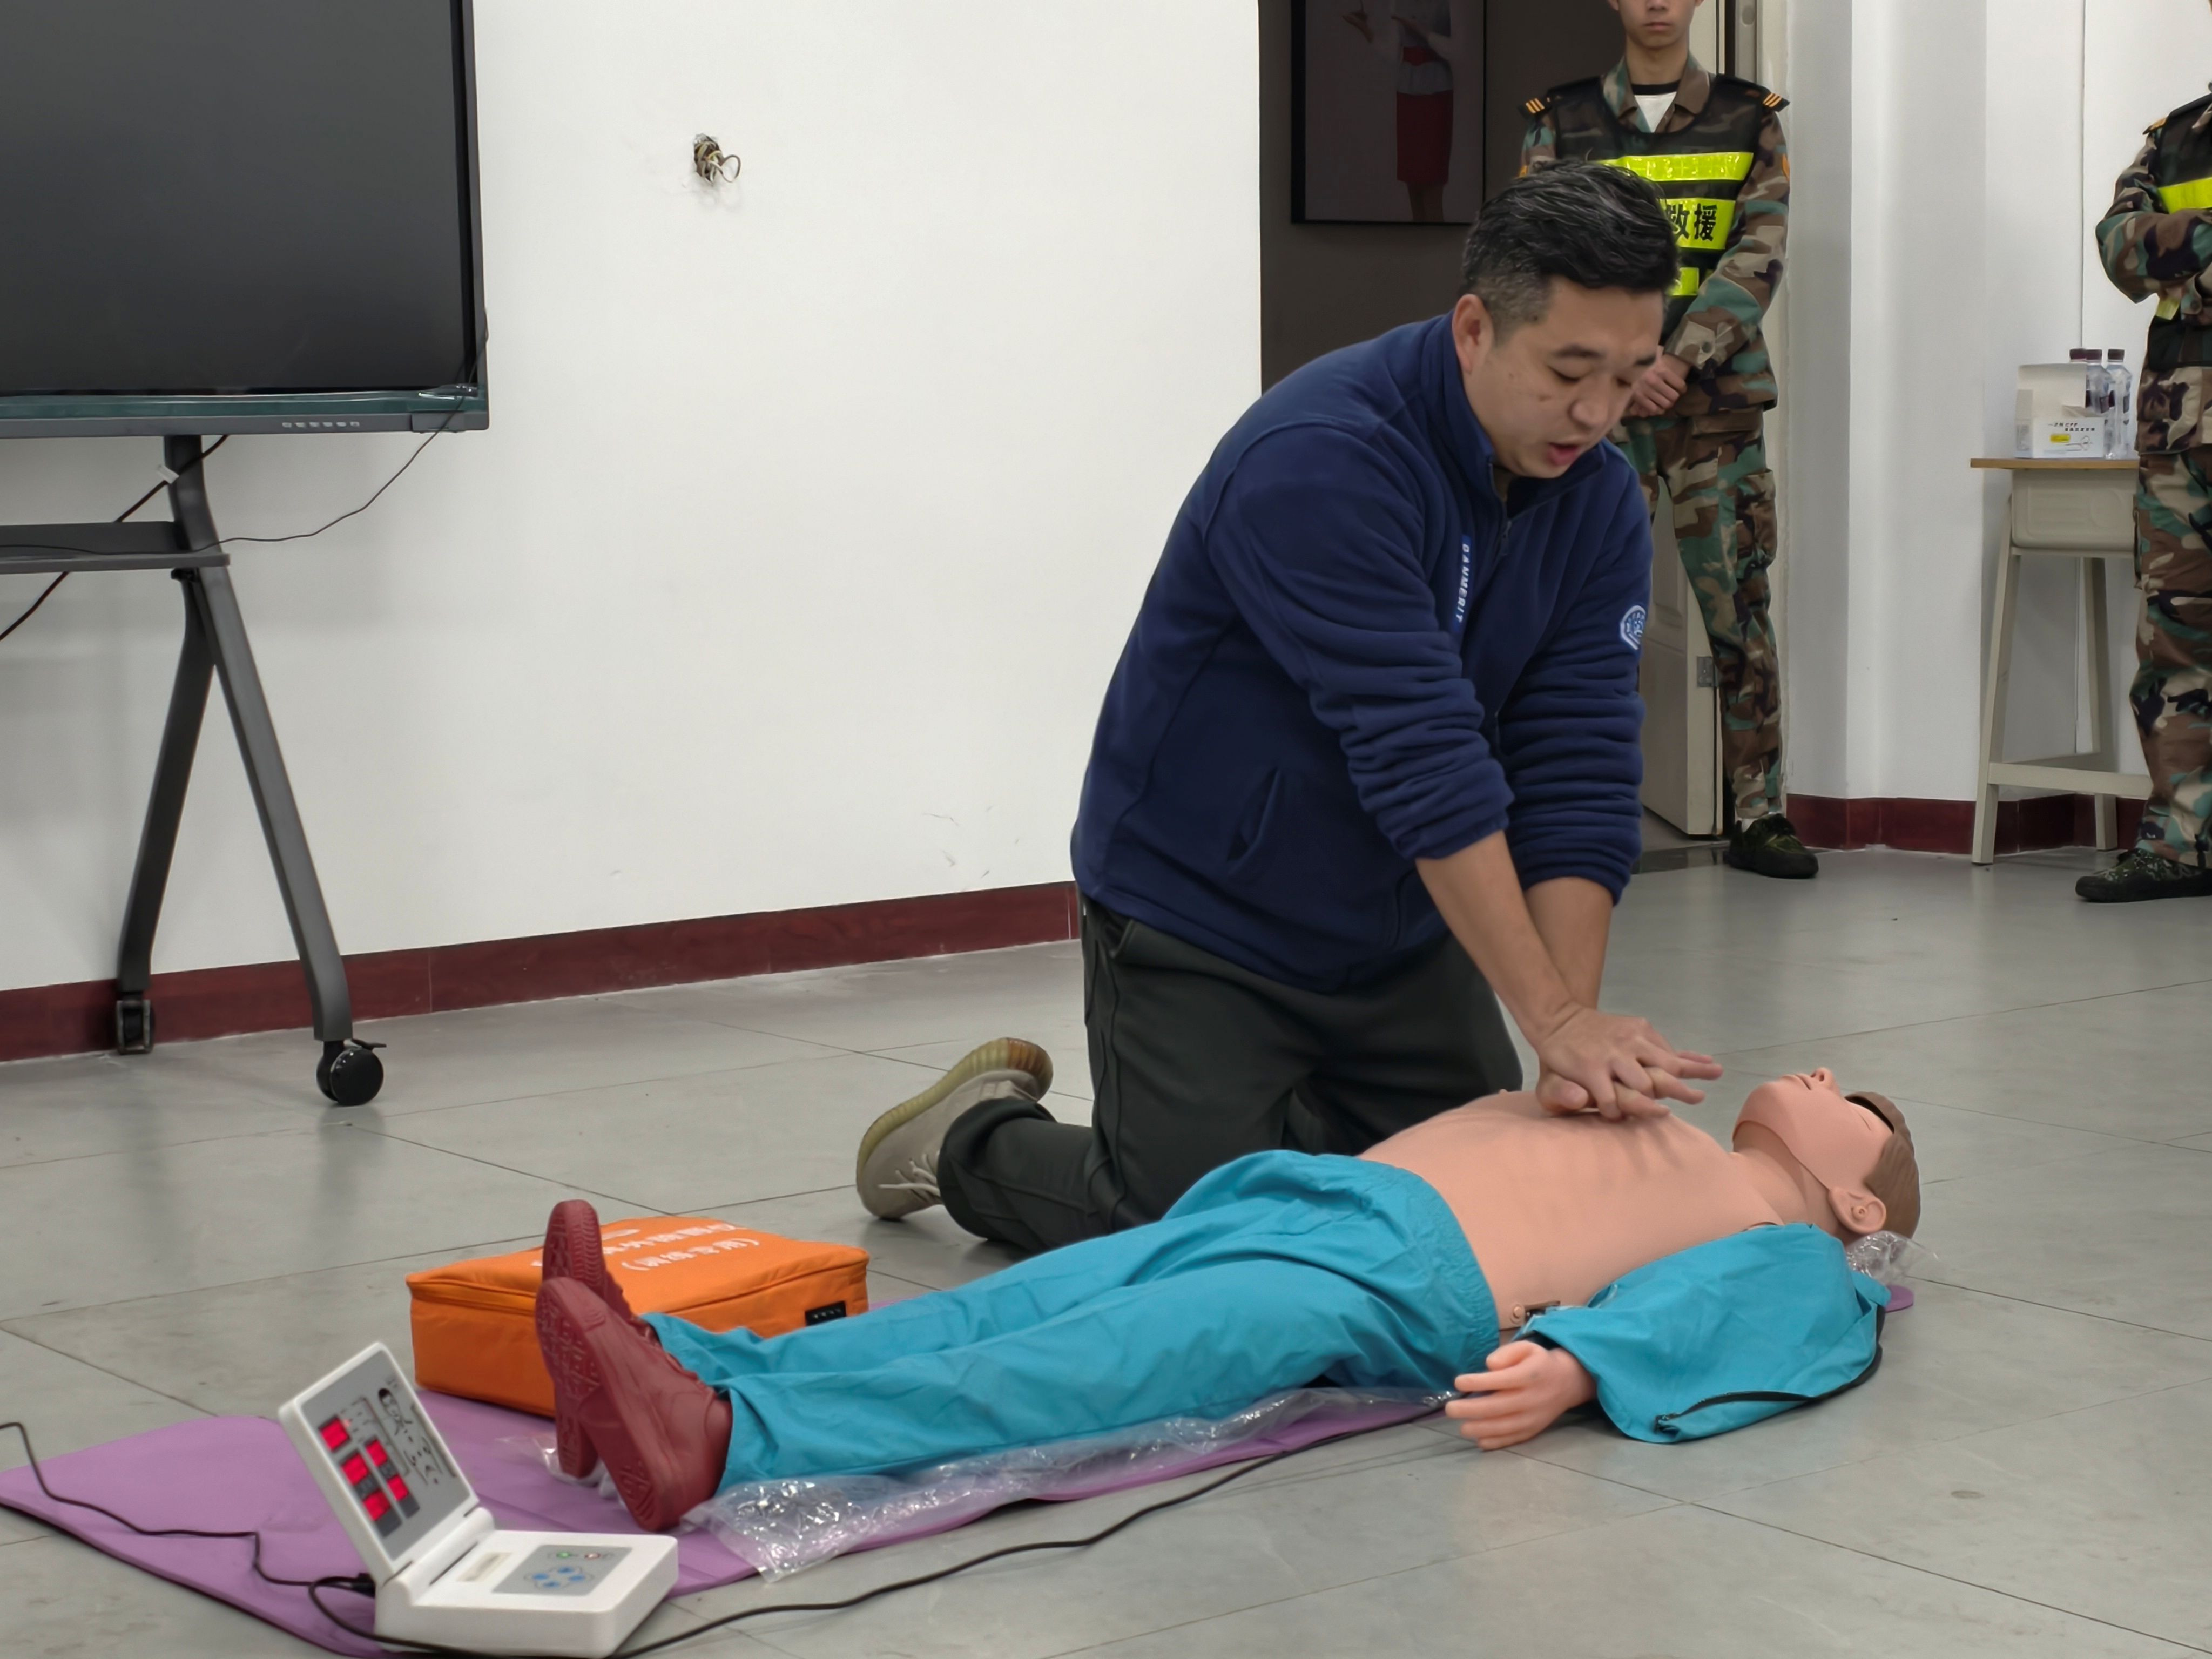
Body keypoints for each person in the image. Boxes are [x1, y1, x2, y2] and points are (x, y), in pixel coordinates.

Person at [849, 163, 1725, 1258]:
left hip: (1405, 923)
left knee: (1467, 1212)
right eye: (1567, 371)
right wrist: (1546, 1019)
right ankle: (968, 1142)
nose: (1596, 414)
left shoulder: (1594, 499)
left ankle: (1283, 1135)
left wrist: (1569, 1033)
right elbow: (1422, 753)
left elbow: (1579, 759)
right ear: (1474, 330)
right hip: (1207, 914)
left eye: (1629, 375)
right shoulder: (1322, 458)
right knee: (1196, 1239)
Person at [534, 1069, 1920, 1531]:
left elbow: (1725, 1319)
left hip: (1399, 1284)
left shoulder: (1791, 1242)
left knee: (1083, 1357)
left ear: (1859, 1204)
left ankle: (723, 1439)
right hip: (1312, 1200)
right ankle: (672, 1359)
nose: (1816, 1076)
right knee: (1009, 1306)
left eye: (1851, 1102)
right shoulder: (1668, 1119)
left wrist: (1577, 1363)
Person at [1519, 0, 1809, 879]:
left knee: (1739, 612)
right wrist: (1628, 365)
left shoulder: (1750, 118)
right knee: (1572, 612)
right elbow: (1538, 259)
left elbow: (1759, 252)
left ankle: (1760, 815)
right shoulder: (1561, 121)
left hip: (1715, 410)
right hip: (1595, 416)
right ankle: (1564, 810)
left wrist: (1675, 359)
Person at [2079, 78, 2212, 902]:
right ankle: (2180, 844)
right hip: (2178, 434)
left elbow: (2153, 251)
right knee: (2173, 643)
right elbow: (2120, 247)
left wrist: (2184, 262)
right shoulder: (2174, 137)